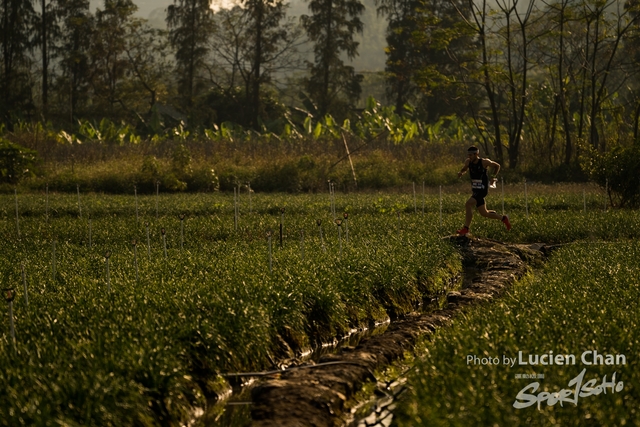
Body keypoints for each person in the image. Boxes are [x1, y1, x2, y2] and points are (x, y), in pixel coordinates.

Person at [456, 146, 511, 235]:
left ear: (476, 154)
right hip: (475, 190)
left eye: (471, 155)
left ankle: (466, 229)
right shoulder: (468, 161)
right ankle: (504, 219)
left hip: (482, 189)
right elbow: (465, 168)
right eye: (468, 155)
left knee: (468, 204)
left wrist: (493, 176)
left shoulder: (484, 162)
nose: (469, 157)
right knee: (484, 213)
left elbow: (497, 166)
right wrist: (461, 172)